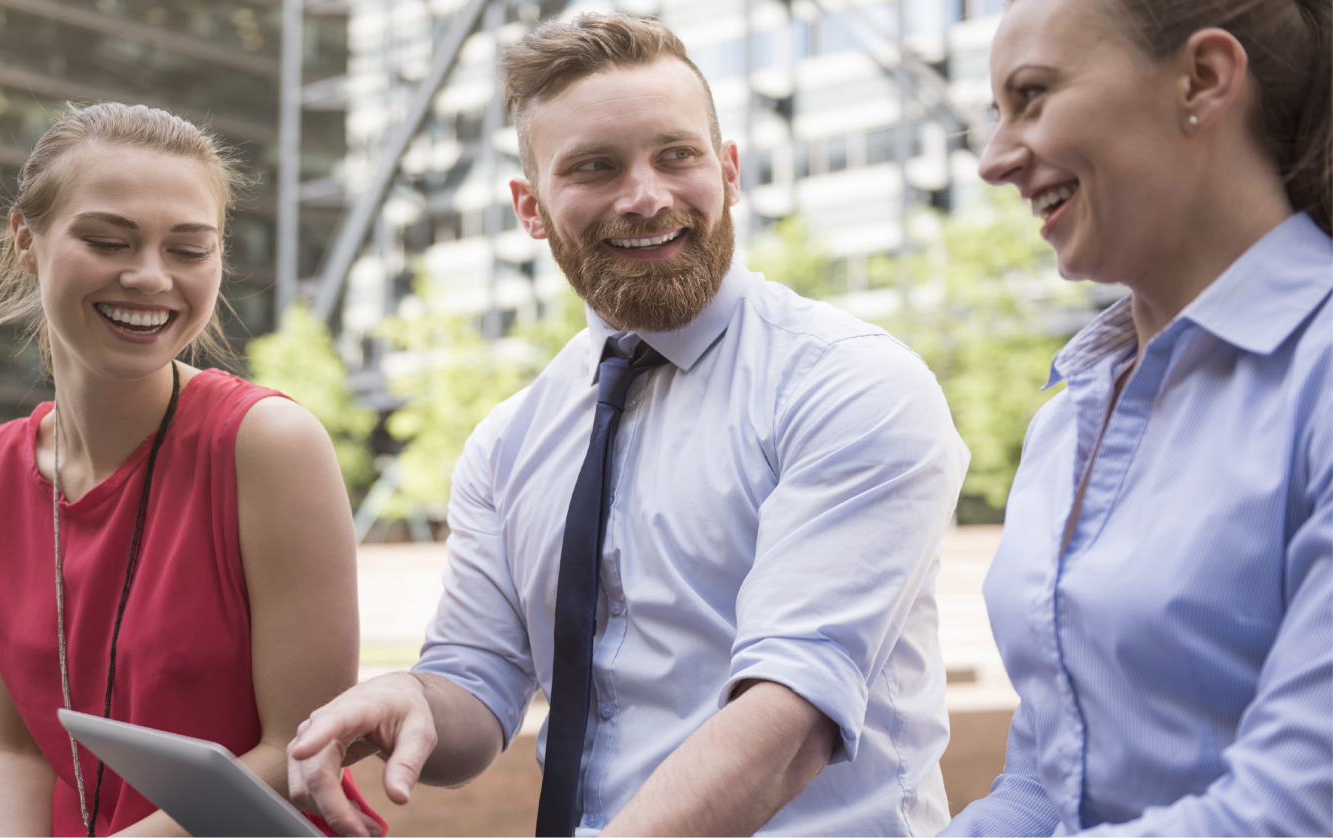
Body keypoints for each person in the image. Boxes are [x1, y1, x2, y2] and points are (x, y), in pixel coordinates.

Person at [286, 14, 968, 838]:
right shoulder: (507, 443)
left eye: (676, 155)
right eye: (595, 168)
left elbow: (791, 721)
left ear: (730, 170)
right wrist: (413, 699)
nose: (646, 196)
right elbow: (479, 682)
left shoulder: (852, 384)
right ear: (530, 209)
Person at [941, 0, 1333, 835]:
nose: (995, 159)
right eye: (994, 114)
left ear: (1202, 78)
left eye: (1033, 95)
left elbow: (1297, 808)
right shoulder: (1067, 423)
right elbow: (1048, 785)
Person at [0, 103, 385, 838]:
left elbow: (299, 752)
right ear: (27, 238)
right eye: (109, 240)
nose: (150, 277)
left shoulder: (267, 442)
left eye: (189, 250)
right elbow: (17, 750)